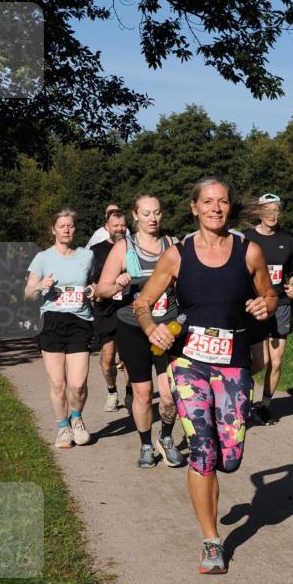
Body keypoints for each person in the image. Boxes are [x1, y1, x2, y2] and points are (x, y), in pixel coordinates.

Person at [135, 177, 276, 574]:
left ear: (230, 208)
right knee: (203, 450)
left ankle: (221, 472)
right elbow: (143, 303)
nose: (216, 208)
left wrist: (265, 305)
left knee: (229, 458)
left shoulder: (249, 252)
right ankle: (211, 540)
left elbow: (269, 294)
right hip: (188, 362)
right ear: (194, 207)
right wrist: (152, 329)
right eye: (208, 202)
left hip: (232, 362)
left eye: (223, 202)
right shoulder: (177, 256)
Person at [96, 194, 185, 470]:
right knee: (143, 393)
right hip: (132, 328)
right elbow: (101, 289)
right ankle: (146, 444)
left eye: (157, 213)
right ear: (135, 215)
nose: (153, 219)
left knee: (169, 392)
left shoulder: (173, 245)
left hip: (167, 328)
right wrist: (118, 284)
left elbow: (189, 283)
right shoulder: (124, 248)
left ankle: (167, 439)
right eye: (146, 213)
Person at [25, 209, 94, 448]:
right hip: (51, 321)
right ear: (53, 230)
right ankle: (63, 428)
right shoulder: (43, 258)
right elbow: (27, 292)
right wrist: (40, 285)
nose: (66, 229)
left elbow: (94, 283)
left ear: (75, 229)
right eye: (61, 226)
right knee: (57, 383)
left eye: (70, 226)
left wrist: (94, 290)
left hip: (80, 320)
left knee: (78, 383)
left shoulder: (87, 256)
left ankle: (77, 418)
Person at [242, 193, 293, 424]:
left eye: (276, 210)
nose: (272, 214)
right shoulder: (246, 238)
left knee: (276, 361)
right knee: (261, 360)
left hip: (281, 304)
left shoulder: (288, 239)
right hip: (254, 305)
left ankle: (265, 406)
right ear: (259, 213)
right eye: (267, 210)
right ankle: (238, 387)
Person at [89, 208, 128, 412]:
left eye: (123, 225)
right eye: (116, 225)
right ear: (107, 227)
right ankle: (112, 392)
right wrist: (93, 288)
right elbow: (88, 279)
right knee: (108, 355)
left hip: (128, 307)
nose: (120, 228)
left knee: (130, 355)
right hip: (106, 309)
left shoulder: (134, 248)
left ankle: (130, 391)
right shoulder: (95, 251)